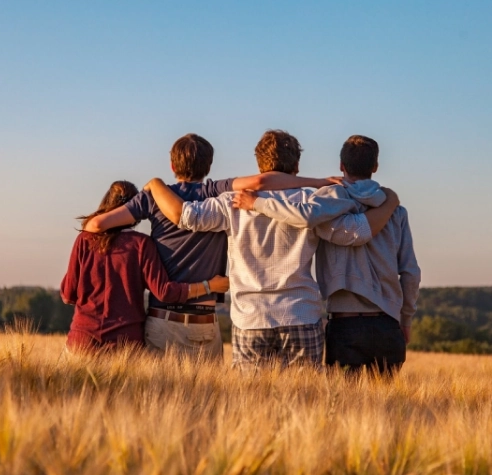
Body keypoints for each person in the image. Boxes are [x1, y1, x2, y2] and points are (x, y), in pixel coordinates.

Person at [143, 130, 399, 369]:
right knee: (305, 404)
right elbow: (355, 233)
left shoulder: (231, 202)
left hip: (250, 318)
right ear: (296, 167)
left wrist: (155, 185)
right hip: (301, 314)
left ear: (259, 165)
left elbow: (185, 216)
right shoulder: (313, 202)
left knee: (250, 404)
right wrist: (389, 204)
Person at [84, 133, 344, 358]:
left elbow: (96, 226)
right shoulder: (215, 191)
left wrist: (150, 192)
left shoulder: (154, 197)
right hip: (207, 321)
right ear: (209, 166)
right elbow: (261, 182)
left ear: (172, 164)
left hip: (164, 319)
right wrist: (318, 182)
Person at [233, 135, 420, 375]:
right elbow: (411, 273)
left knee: (342, 408)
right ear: (375, 167)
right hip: (388, 324)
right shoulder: (396, 211)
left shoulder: (326, 203)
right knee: (387, 409)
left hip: (344, 325)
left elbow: (304, 216)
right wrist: (405, 319)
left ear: (341, 166)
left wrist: (257, 203)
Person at [61, 180, 229, 354]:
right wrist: (209, 286)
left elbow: (68, 294)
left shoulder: (84, 240)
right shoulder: (141, 244)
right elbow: (164, 292)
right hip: (125, 344)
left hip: (82, 340)